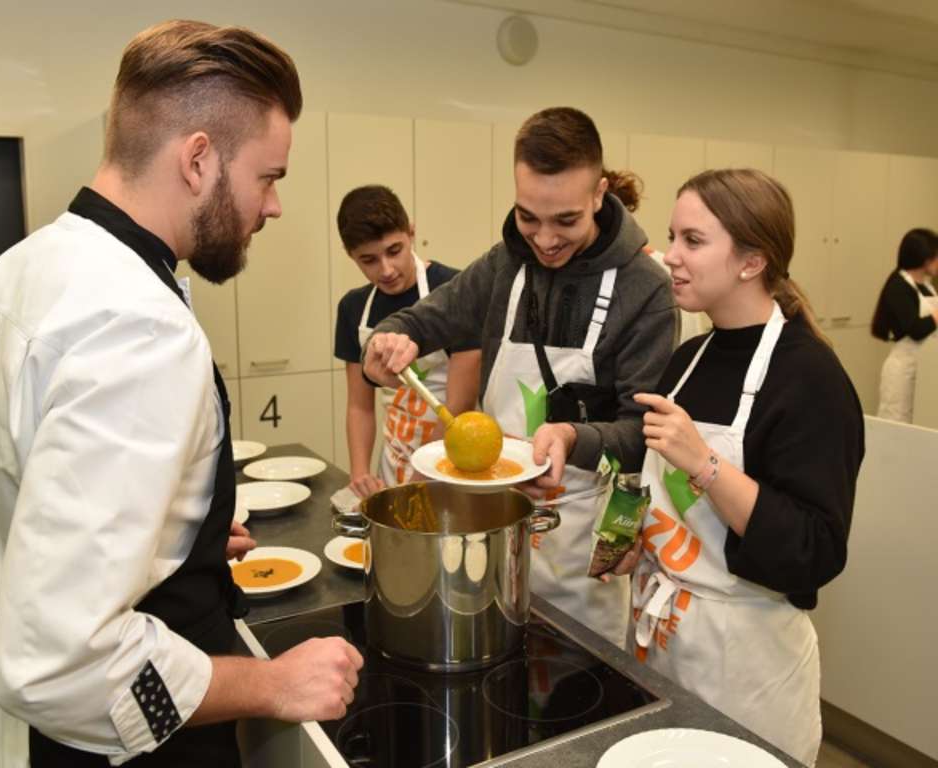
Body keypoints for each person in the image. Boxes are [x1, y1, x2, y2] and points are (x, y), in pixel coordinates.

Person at [0, 20, 362, 768]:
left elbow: (29, 501)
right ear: (198, 160)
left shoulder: (16, 274)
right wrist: (270, 684)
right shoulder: (135, 326)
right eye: (268, 177)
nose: (273, 206)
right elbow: (66, 661)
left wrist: (173, 542)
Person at [362, 107, 676, 647]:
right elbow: (423, 319)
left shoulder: (644, 289)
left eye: (566, 221)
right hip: (490, 534)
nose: (545, 240)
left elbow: (643, 435)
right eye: (529, 217)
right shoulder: (505, 265)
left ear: (599, 194)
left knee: (574, 677)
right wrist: (389, 340)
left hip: (579, 549)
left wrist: (573, 439)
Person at [609, 168, 861, 765]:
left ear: (752, 262)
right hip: (664, 639)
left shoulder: (811, 379)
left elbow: (815, 550)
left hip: (746, 667)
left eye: (693, 241)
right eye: (674, 236)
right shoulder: (688, 359)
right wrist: (629, 537)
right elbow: (657, 483)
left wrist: (705, 464)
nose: (670, 255)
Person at [334, 185, 481, 496]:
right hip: (395, 464)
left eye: (394, 251)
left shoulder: (455, 291)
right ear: (351, 256)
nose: (386, 270)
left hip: (452, 460)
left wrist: (423, 474)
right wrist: (360, 473)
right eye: (369, 260)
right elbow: (359, 406)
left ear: (411, 233)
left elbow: (460, 403)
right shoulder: (353, 309)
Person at [871, 227, 938, 423]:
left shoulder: (927, 286)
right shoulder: (898, 286)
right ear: (924, 258)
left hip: (926, 368)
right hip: (903, 370)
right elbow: (916, 329)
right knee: (897, 421)